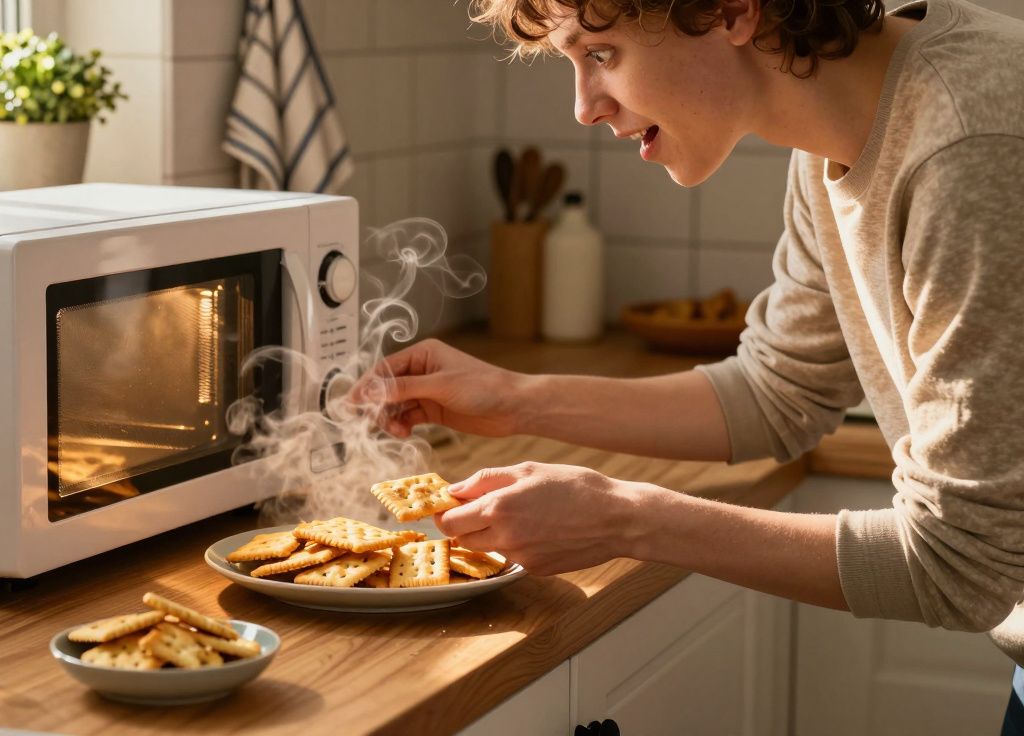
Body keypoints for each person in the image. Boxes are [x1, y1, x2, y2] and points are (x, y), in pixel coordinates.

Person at [353, 0, 1024, 730]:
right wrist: (514, 399)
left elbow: (964, 563)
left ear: (730, 11)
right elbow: (777, 392)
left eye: (601, 53)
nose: (583, 107)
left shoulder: (969, 141)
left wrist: (625, 518)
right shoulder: (842, 121)